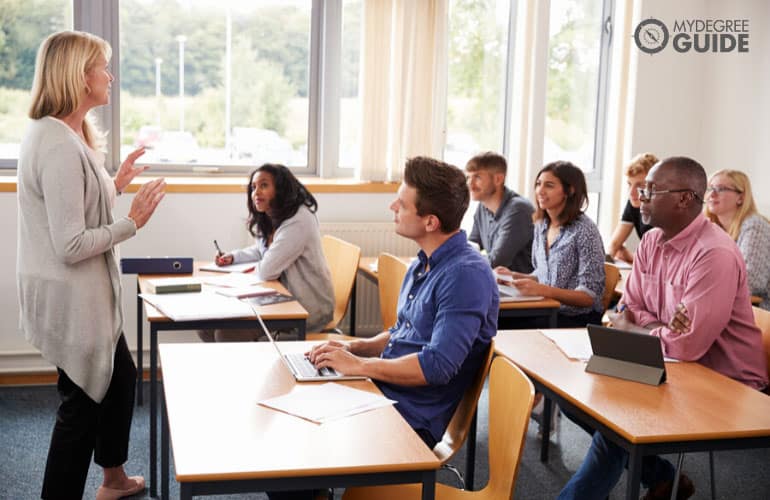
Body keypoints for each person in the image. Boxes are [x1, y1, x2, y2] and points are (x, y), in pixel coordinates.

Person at [558, 157, 768, 500]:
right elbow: (628, 307)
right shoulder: (652, 241)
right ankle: (663, 477)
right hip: (671, 364)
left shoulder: (713, 254)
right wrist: (659, 327)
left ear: (685, 199)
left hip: (725, 383)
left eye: (651, 191)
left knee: (617, 422)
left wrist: (640, 326)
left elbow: (686, 347)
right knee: (574, 399)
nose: (639, 198)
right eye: (641, 189)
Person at [17, 31, 166, 500]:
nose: (111, 76)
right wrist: (132, 223)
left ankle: (114, 478)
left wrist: (114, 182)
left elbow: (77, 205)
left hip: (79, 293)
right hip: (70, 294)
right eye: (104, 67)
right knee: (81, 404)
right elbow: (71, 243)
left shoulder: (64, 133)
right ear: (81, 77)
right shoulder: (59, 143)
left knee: (119, 376)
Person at [310, 156, 498, 448]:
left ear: (430, 222)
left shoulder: (465, 275)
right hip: (383, 392)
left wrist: (361, 365)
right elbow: (402, 332)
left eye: (402, 204)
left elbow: (437, 366)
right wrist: (353, 347)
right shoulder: (421, 264)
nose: (392, 207)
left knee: (297, 440)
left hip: (411, 417)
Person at [199, 163, 334, 339]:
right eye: (253, 187)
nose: (256, 192)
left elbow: (266, 271)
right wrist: (233, 257)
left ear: (281, 189)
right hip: (280, 298)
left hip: (305, 308)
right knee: (205, 326)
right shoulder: (272, 214)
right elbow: (263, 251)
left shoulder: (299, 219)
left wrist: (242, 279)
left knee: (227, 334)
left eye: (264, 185)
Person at [496, 161, 605, 327]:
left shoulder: (585, 231)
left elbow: (589, 297)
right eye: (538, 184)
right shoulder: (541, 225)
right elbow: (543, 274)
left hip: (574, 320)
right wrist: (514, 276)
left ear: (569, 190)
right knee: (490, 319)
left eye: (549, 185)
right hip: (546, 311)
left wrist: (544, 290)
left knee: (498, 323)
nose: (540, 190)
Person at [704, 169, 770, 310]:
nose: (712, 194)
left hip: (760, 310)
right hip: (728, 303)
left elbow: (752, 281)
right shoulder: (713, 229)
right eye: (710, 188)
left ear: (741, 197)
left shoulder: (754, 226)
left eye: (721, 189)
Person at [466, 151, 534, 272]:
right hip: (498, 283)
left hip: (518, 288)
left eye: (477, 177)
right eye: (468, 177)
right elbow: (471, 246)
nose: (470, 184)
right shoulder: (483, 206)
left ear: (498, 179)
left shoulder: (518, 209)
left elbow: (496, 261)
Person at [607, 152, 658, 263]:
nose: (632, 192)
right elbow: (614, 245)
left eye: (640, 185)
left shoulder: (665, 212)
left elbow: (658, 262)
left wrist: (630, 257)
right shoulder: (633, 203)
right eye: (629, 184)